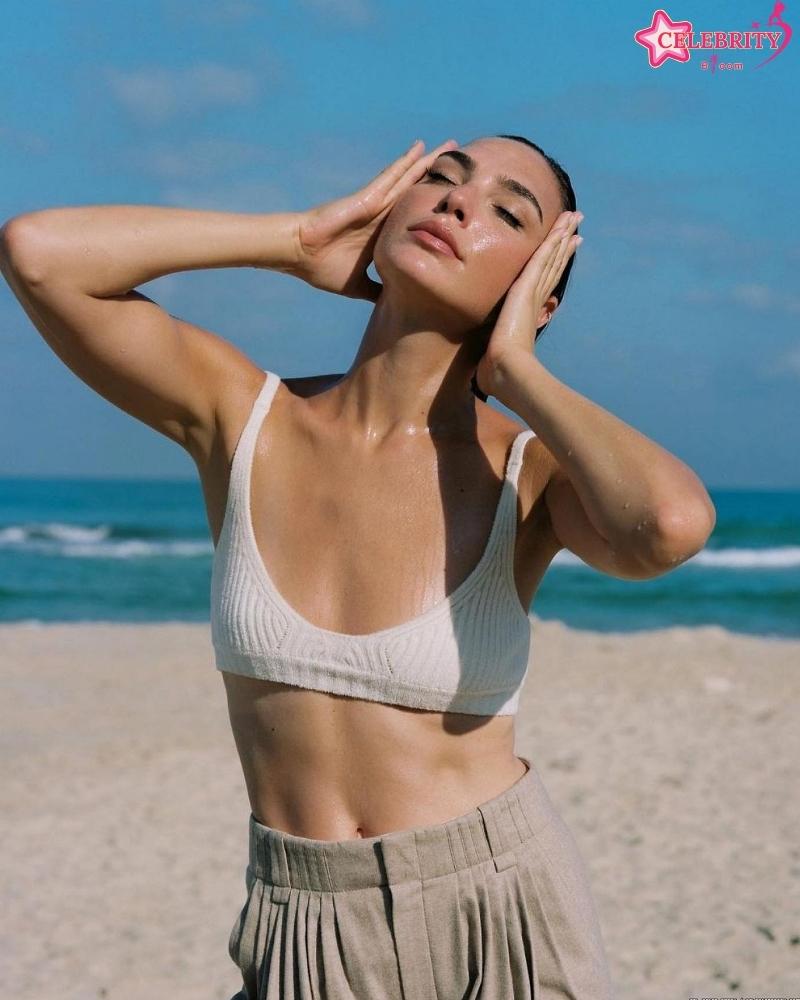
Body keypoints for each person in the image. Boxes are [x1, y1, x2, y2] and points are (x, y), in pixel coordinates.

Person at [0, 134, 716, 999]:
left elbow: (669, 526)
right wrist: (293, 241)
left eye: (505, 211)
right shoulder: (242, 416)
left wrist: (518, 367)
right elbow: (38, 254)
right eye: (440, 181)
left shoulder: (527, 473)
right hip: (299, 917)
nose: (458, 204)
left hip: (494, 905)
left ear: (541, 288)